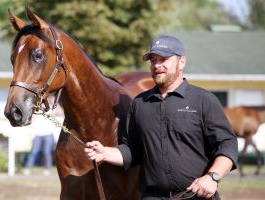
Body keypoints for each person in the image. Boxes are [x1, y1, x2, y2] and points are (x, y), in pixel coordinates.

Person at [85, 35, 238, 200]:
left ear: (182, 62)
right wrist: (105, 152)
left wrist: (212, 177)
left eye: (163, 59)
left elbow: (227, 145)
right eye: (152, 60)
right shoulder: (139, 104)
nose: (156, 65)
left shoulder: (203, 100)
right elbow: (133, 150)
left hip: (195, 196)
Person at [24, 95, 63, 175]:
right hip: (38, 134)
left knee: (47, 152)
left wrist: (54, 102)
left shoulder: (51, 108)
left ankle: (47, 169)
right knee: (34, 152)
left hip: (48, 134)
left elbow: (61, 113)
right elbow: (32, 119)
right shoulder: (37, 108)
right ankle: (28, 168)